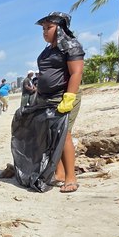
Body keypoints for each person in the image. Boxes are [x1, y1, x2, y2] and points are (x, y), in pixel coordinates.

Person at [33, 12, 85, 193]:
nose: (45, 32)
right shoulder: (48, 50)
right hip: (46, 98)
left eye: (49, 28)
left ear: (60, 28)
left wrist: (69, 97)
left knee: (64, 135)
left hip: (63, 96)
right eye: (43, 29)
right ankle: (59, 173)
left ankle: (71, 177)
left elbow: (76, 72)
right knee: (52, 136)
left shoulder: (70, 45)